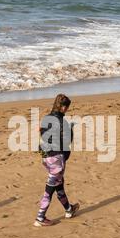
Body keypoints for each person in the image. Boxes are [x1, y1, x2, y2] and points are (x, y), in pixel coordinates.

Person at [34, 94, 80, 227]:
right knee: (50, 188)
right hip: (56, 158)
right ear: (64, 107)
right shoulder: (62, 122)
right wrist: (70, 130)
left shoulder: (45, 118)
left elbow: (42, 134)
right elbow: (67, 142)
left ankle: (69, 209)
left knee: (59, 183)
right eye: (67, 108)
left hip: (45, 157)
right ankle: (40, 217)